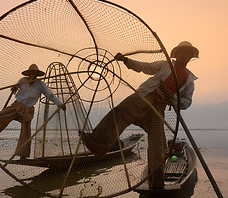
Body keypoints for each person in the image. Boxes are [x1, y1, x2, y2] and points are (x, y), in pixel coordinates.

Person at [81, 41, 199, 188]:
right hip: (143, 97)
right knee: (118, 114)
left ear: (190, 57)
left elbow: (187, 103)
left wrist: (174, 99)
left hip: (158, 108)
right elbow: (145, 67)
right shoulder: (165, 65)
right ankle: (96, 143)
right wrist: (126, 61)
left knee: (158, 144)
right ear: (177, 54)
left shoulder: (189, 80)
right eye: (182, 52)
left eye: (187, 53)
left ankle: (156, 182)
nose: (184, 55)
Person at [0, 64, 66, 159]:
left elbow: (50, 95)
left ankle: (23, 155)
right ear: (28, 73)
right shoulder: (22, 80)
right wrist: (14, 88)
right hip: (17, 106)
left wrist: (60, 104)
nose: (32, 74)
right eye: (30, 72)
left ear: (36, 74)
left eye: (34, 73)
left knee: (25, 132)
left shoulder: (40, 84)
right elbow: (15, 88)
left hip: (28, 110)